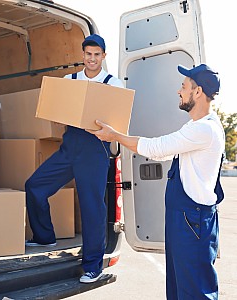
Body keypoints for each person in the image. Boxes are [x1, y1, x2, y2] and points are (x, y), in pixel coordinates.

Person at [87, 64, 225, 299]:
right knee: (180, 285)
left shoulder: (204, 129)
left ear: (198, 91)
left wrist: (115, 136)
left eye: (183, 87)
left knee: (195, 290)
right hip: (187, 218)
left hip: (193, 220)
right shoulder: (195, 127)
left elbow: (156, 148)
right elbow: (164, 151)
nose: (178, 91)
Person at [25, 34, 124, 284]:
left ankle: (93, 266)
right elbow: (55, 111)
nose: (92, 59)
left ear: (103, 56)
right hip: (70, 148)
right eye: (88, 54)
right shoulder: (69, 80)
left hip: (95, 150)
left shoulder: (114, 84)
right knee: (35, 186)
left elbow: (120, 120)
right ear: (83, 55)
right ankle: (45, 236)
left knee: (92, 208)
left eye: (97, 55)